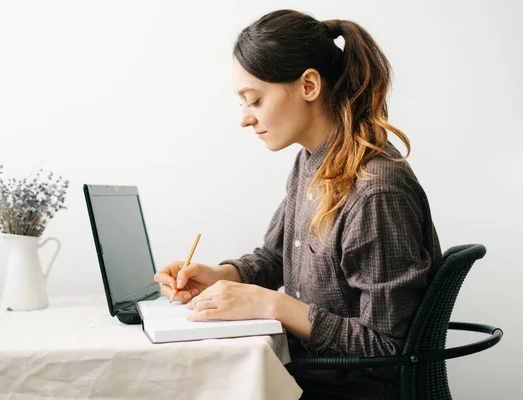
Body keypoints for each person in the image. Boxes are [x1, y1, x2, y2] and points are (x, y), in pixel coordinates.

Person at [154, 9, 442, 400]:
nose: (244, 119)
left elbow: (390, 348)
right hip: (304, 379)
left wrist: (275, 305)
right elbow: (274, 258)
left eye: (253, 100)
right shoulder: (312, 162)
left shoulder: (376, 193)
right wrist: (221, 275)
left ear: (309, 85)